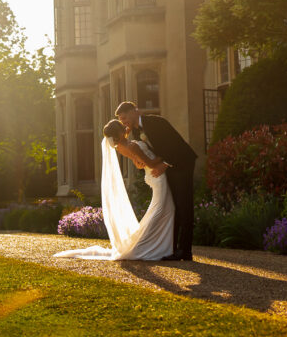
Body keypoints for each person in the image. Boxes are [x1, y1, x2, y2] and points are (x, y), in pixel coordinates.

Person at [54, 119, 174, 261]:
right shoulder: (133, 146)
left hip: (152, 177)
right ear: (120, 132)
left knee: (164, 210)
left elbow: (138, 165)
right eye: (122, 125)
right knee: (163, 211)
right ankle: (143, 246)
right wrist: (168, 156)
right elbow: (152, 163)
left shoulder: (121, 147)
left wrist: (126, 131)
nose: (125, 125)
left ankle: (158, 244)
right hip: (158, 177)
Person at [115, 100, 197, 262]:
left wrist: (164, 164)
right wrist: (141, 161)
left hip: (183, 163)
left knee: (184, 206)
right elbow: (155, 151)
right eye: (121, 120)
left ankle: (185, 251)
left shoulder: (156, 122)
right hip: (170, 166)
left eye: (124, 117)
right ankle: (172, 249)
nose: (124, 122)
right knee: (174, 207)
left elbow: (176, 145)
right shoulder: (137, 132)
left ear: (134, 111)